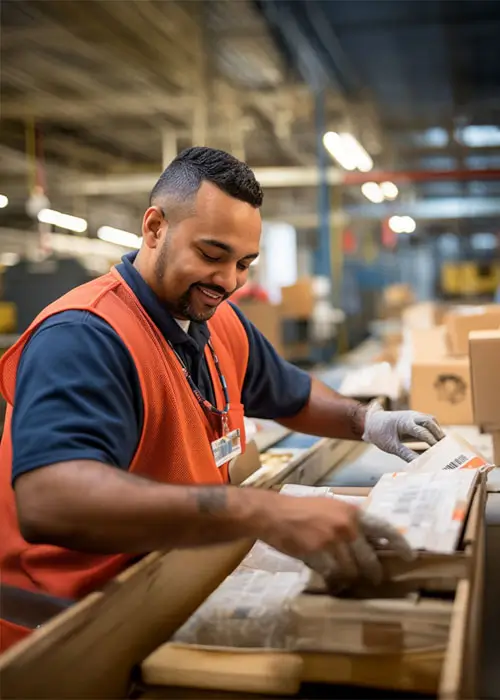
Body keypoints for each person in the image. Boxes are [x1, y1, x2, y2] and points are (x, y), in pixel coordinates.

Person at [0, 147, 443, 651]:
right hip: (66, 627)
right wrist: (261, 511)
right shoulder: (84, 335)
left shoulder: (217, 321)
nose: (229, 281)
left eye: (245, 263)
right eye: (212, 255)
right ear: (154, 228)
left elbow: (291, 394)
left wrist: (366, 420)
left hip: (166, 586)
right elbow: (49, 500)